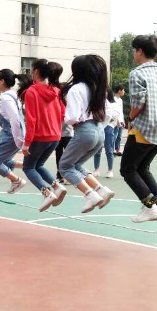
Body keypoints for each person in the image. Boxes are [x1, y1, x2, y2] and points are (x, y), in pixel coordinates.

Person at [120, 35, 157, 223]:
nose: (134, 55)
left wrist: (130, 117)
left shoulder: (137, 73)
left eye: (135, 51)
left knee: (128, 169)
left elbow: (138, 103)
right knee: (143, 167)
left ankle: (149, 206)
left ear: (140, 51)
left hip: (144, 129)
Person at [58, 55, 115, 213]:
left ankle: (90, 195)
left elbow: (71, 118)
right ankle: (100, 189)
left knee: (64, 167)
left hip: (84, 130)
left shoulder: (75, 89)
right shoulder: (98, 88)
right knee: (75, 165)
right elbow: (108, 112)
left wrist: (68, 120)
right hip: (99, 130)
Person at [22, 59, 67, 211]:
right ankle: (57, 186)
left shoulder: (32, 91)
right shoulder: (56, 90)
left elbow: (31, 119)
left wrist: (27, 142)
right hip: (55, 135)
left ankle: (46, 192)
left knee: (28, 167)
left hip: (39, 136)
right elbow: (62, 113)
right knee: (39, 165)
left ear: (35, 71)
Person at [0, 69, 27, 194]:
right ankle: (29, 167)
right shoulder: (14, 95)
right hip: (13, 134)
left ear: (2, 81)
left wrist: (18, 140)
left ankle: (17, 180)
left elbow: (15, 120)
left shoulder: (6, 98)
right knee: (4, 160)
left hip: (11, 135)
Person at [93, 86, 122, 177]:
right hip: (99, 126)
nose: (103, 93)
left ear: (108, 93)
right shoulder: (98, 103)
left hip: (108, 127)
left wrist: (113, 123)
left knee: (109, 150)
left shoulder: (113, 104)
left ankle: (110, 170)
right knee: (97, 149)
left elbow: (115, 116)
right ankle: (96, 169)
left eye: (105, 92)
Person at [112, 85, 126, 155]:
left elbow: (121, 111)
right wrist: (117, 120)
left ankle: (117, 150)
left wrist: (123, 120)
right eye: (123, 90)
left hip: (120, 120)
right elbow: (114, 111)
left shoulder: (120, 100)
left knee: (119, 136)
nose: (124, 92)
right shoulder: (113, 99)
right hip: (115, 121)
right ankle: (112, 150)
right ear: (119, 91)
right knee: (114, 135)